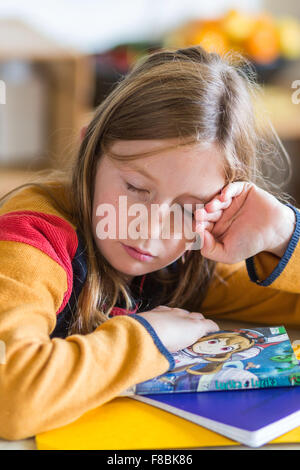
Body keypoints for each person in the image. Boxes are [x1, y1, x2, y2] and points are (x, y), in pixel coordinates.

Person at [0, 45, 299, 440]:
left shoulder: (188, 257)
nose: (151, 230)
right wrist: (149, 337)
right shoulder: (33, 237)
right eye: (136, 188)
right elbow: (13, 399)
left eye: (190, 207)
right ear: (90, 150)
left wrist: (283, 234)